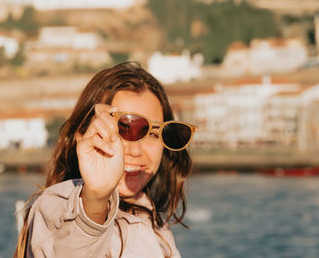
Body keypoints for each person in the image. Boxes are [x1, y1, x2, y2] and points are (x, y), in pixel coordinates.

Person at [14, 62, 197, 258]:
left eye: (153, 134)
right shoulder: (58, 207)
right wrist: (96, 198)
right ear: (81, 136)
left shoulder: (154, 223)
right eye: (123, 130)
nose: (136, 150)